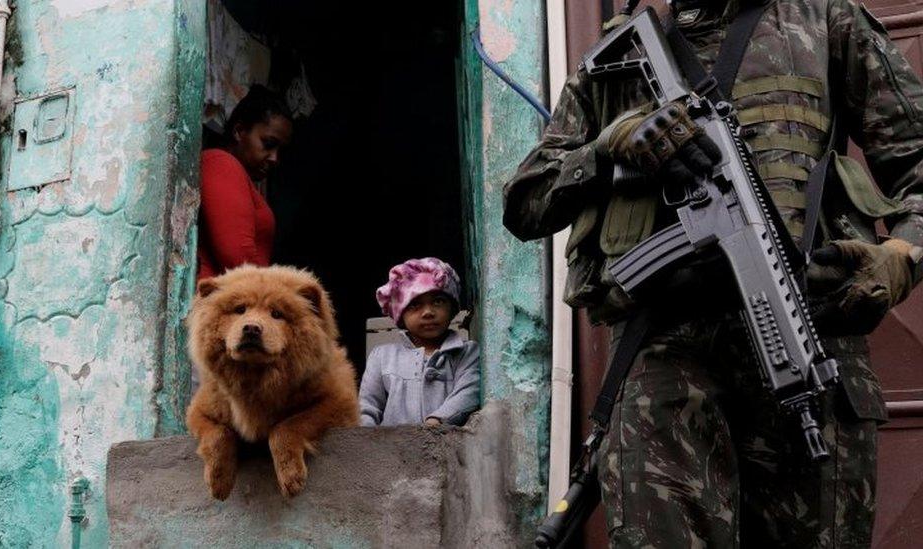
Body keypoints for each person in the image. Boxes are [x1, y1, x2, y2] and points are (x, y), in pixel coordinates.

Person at [504, 0, 923, 546]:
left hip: (811, 339)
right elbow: (526, 201)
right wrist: (611, 148)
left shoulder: (826, 19)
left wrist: (903, 253)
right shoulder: (621, 50)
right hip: (663, 359)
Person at [359, 258, 481, 427]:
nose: (428, 312)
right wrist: (367, 440)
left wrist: (437, 420)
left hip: (447, 448)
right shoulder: (382, 357)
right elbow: (368, 406)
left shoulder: (467, 352)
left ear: (452, 308)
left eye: (438, 301)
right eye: (415, 305)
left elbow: (469, 391)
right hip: (390, 450)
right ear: (400, 315)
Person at [197, 85, 293, 281]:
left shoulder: (239, 176)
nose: (275, 158)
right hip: (225, 303)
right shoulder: (221, 163)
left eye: (280, 151)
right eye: (268, 143)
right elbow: (239, 259)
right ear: (239, 131)